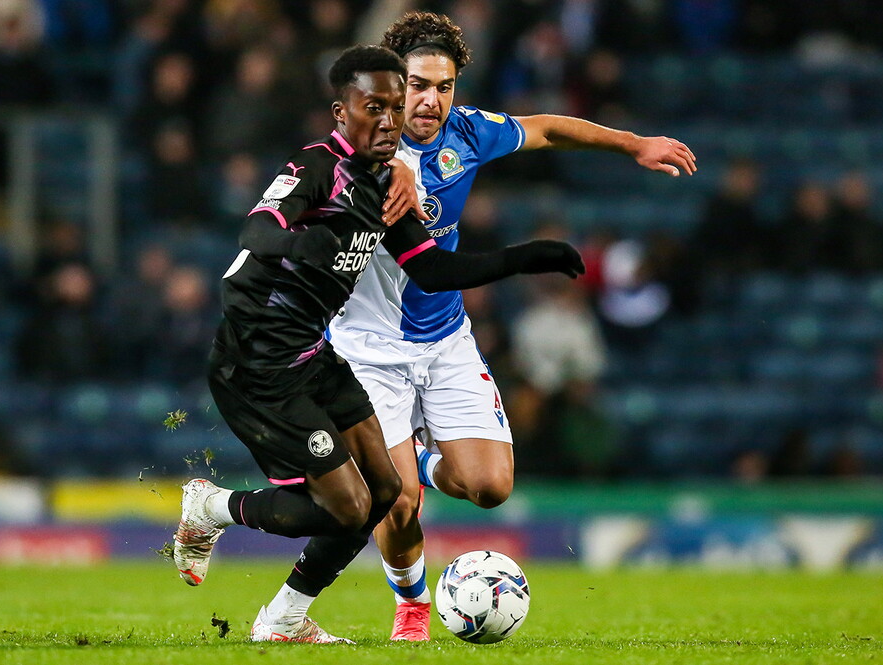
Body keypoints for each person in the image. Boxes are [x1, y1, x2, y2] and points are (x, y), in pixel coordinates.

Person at [171, 44, 586, 645]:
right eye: (376, 108)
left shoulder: (386, 183)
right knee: (346, 507)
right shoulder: (318, 167)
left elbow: (432, 270)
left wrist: (529, 257)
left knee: (386, 491)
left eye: (395, 108)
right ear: (342, 113)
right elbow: (258, 229)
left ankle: (283, 621)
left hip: (315, 356)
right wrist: (307, 239)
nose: (391, 120)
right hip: (258, 365)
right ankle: (211, 509)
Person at [326, 11, 698, 641]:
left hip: (443, 337)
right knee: (397, 499)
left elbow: (547, 128)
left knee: (490, 488)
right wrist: (390, 169)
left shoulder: (468, 133)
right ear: (392, 85)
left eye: (444, 87)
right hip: (368, 349)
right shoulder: (360, 148)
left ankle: (423, 457)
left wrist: (633, 144)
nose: (431, 100)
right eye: (418, 85)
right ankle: (412, 609)